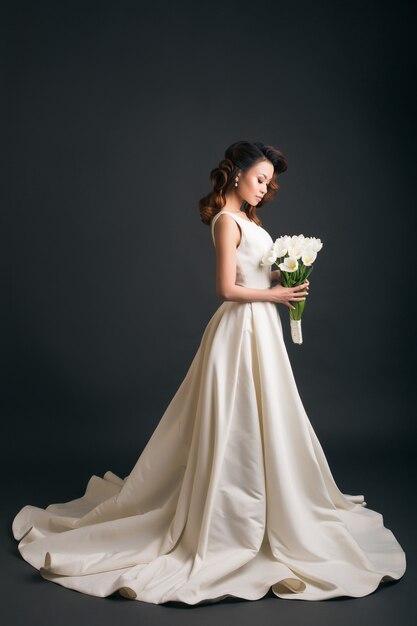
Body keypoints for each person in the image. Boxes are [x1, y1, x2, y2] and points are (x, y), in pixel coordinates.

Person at [12, 140, 406, 605]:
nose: (265, 188)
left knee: (269, 417)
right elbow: (225, 289)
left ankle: (272, 506)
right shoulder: (225, 221)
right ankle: (228, 516)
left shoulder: (253, 220)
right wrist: (277, 297)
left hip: (263, 331)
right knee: (233, 423)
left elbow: (259, 276)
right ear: (236, 174)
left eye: (269, 181)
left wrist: (288, 277)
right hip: (238, 333)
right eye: (259, 178)